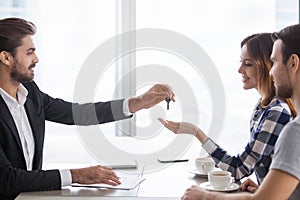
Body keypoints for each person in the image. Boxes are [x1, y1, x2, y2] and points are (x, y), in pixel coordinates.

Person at [0, 17, 175, 200]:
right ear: (6, 57)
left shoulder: (30, 93)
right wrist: (77, 175)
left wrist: (138, 102)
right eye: (29, 52)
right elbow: (6, 179)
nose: (36, 59)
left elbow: (76, 113)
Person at [181, 23, 300, 200]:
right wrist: (265, 188)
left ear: (293, 63)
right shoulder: (264, 109)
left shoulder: (288, 124)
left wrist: (206, 196)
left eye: (273, 62)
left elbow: (239, 169)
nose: (272, 70)